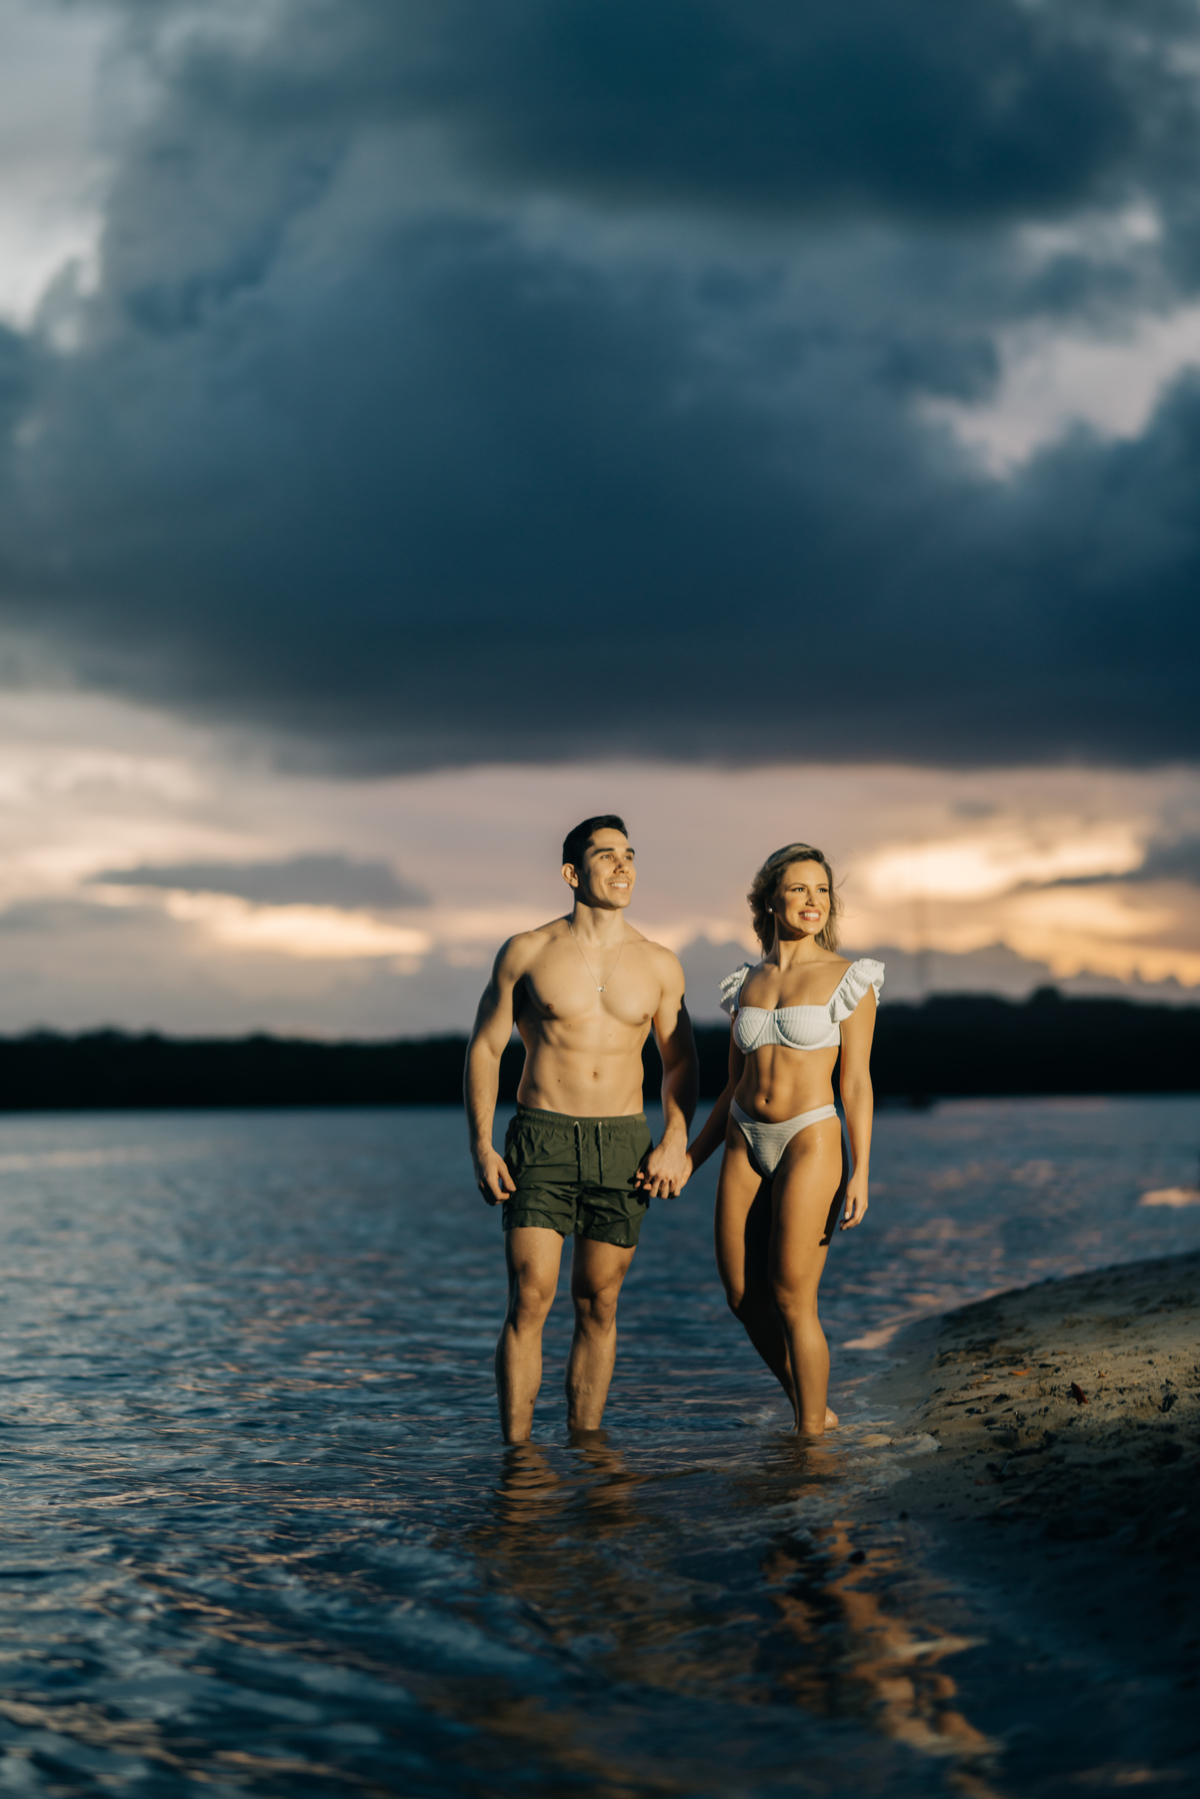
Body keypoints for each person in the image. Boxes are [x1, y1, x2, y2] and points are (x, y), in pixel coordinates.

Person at [465, 815, 698, 1443]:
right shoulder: (527, 951)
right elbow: (486, 1050)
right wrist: (482, 1146)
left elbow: (680, 1064)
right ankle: (518, 1458)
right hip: (541, 1136)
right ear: (572, 873)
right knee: (531, 1297)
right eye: (606, 856)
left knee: (599, 1302)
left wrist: (676, 1139)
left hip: (624, 1144)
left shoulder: (659, 963)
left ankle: (587, 1451)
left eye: (630, 855)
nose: (623, 867)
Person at [685, 843, 882, 1436]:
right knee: (742, 1296)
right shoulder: (745, 982)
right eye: (798, 889)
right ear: (769, 899)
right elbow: (732, 1084)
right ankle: (812, 1408)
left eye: (821, 890)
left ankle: (810, 1446)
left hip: (810, 1138)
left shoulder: (850, 979)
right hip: (746, 1135)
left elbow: (857, 1084)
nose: (812, 901)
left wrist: (862, 1171)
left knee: (794, 1298)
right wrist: (690, 1158)